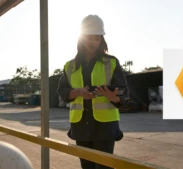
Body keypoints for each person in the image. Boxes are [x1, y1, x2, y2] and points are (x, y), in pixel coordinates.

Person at [57, 15, 128, 169]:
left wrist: (112, 97)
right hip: (81, 126)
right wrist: (78, 92)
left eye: (97, 38)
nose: (94, 42)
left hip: (105, 128)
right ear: (81, 38)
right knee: (87, 167)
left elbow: (123, 93)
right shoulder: (69, 66)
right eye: (90, 38)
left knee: (104, 167)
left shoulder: (112, 62)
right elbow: (62, 91)